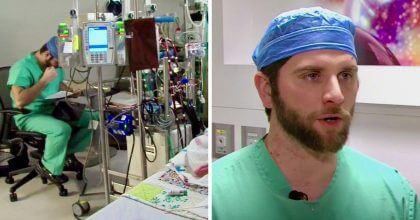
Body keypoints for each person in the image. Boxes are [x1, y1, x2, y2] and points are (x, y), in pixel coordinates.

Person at [212, 7, 419, 220]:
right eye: (312, 75)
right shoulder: (217, 199)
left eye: (346, 75)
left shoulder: (395, 197)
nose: (336, 95)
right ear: (267, 89)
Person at [7, 36, 97, 184]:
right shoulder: (22, 67)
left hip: (52, 110)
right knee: (61, 129)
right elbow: (19, 101)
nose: (61, 66)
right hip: (29, 115)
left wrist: (70, 91)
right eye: (60, 62)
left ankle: (65, 153)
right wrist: (43, 81)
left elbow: (58, 85)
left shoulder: (55, 66)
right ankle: (49, 168)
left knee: (94, 119)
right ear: (48, 54)